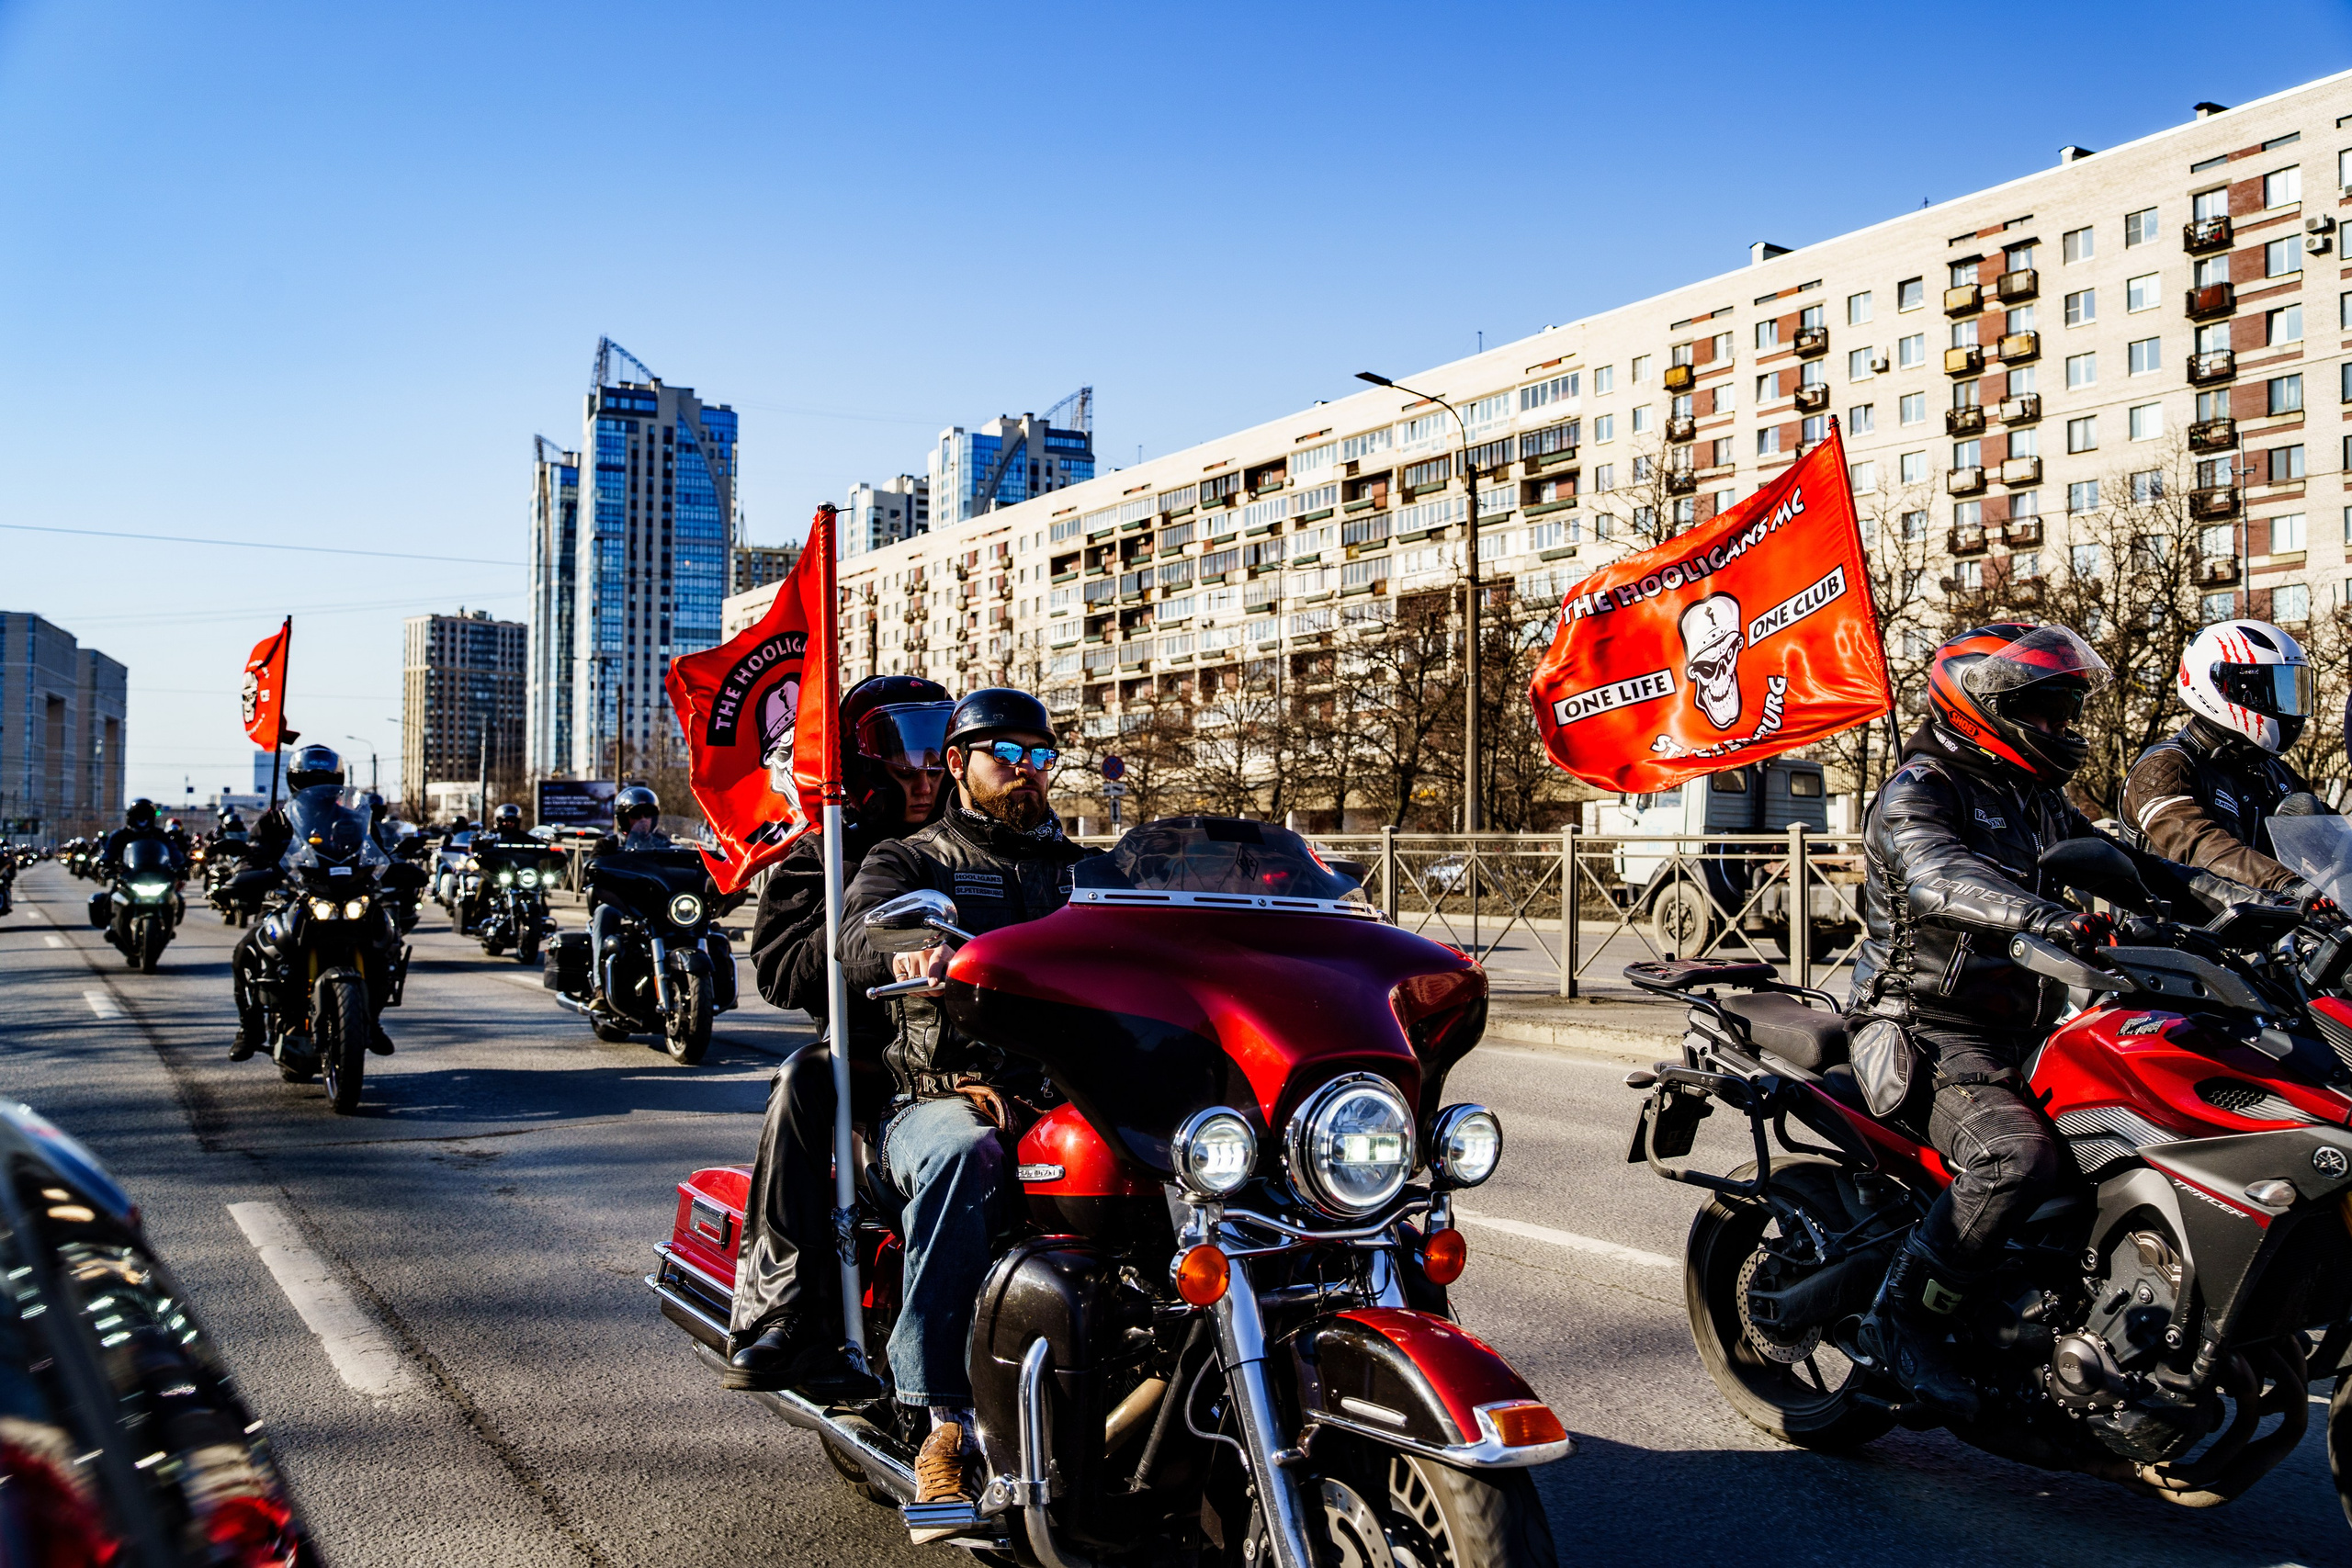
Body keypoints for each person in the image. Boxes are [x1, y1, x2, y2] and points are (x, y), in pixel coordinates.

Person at [1849, 624, 2263, 1417]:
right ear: (1981, 706)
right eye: (2044, 711)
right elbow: (1940, 876)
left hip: (2031, 1026)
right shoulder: (1920, 788)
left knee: (2133, 1126)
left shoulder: (2034, 799)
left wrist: (2256, 902)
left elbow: (2140, 869)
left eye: (2067, 712)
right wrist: (2043, 914)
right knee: (2016, 1156)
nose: (2061, 727)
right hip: (1926, 1026)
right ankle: (1899, 1323)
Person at [835, 687, 1093, 1526]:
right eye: (1006, 754)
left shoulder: (1088, 872)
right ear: (956, 762)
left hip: (1068, 1096)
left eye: (1040, 756)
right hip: (936, 1096)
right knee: (964, 1153)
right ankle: (940, 1418)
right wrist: (912, 947)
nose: (1027, 770)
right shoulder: (914, 860)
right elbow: (857, 935)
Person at [725, 674, 954, 1395]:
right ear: (861, 764)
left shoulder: (975, 844)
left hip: (979, 1052)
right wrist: (858, 924)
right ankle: (783, 1311)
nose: (923, 775)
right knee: (803, 1076)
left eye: (936, 752)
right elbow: (778, 971)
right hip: (872, 1056)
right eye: (902, 756)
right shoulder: (822, 851)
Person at [2120, 618, 2333, 898]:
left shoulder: (2274, 771)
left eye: (2290, 692)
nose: (2286, 708)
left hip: (2272, 920)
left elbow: (2335, 838)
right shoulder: (2164, 768)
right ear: (2221, 686)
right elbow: (2198, 846)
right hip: (2176, 924)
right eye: (2264, 690)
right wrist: (2286, 884)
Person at [228, 746, 397, 1060]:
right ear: (296, 783)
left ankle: (371, 1021)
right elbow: (254, 854)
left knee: (387, 943)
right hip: (291, 898)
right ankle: (250, 1029)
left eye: (324, 781)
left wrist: (397, 867)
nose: (317, 788)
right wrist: (249, 873)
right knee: (245, 951)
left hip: (346, 896)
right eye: (309, 781)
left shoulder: (355, 819)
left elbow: (377, 852)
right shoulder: (275, 821)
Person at [586, 786, 671, 1014]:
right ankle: (600, 988)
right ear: (624, 819)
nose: (643, 820)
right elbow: (591, 870)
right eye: (636, 815)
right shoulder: (609, 845)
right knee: (604, 912)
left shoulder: (664, 844)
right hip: (622, 905)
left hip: (656, 906)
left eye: (648, 815)